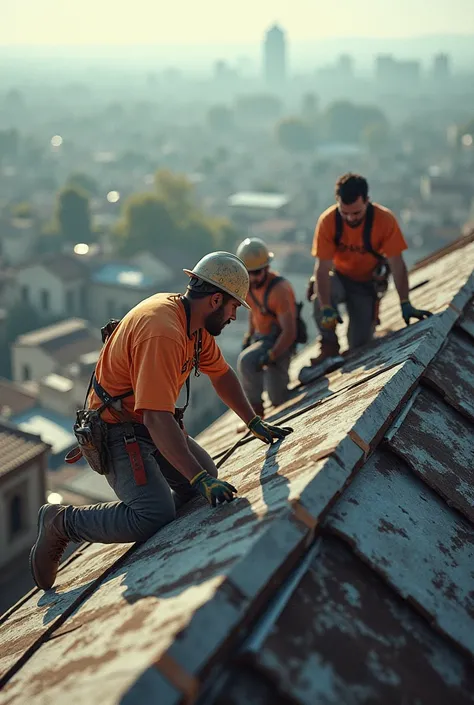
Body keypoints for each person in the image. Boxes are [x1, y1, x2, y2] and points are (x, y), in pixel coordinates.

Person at [30, 251, 291, 591]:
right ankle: (61, 522)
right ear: (215, 299)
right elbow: (156, 417)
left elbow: (222, 375)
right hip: (117, 430)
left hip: (146, 425)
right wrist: (195, 477)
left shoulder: (192, 326)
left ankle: (157, 497)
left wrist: (253, 422)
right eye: (232, 308)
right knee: (155, 515)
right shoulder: (164, 331)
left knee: (206, 478)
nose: (232, 317)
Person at [307, 173, 432, 365]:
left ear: (367, 201)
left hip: (365, 286)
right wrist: (326, 307)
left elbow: (397, 265)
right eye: (344, 212)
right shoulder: (328, 221)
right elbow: (322, 269)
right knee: (320, 292)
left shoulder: (384, 221)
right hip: (339, 278)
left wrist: (405, 302)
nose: (350, 218)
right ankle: (329, 347)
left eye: (356, 213)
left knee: (360, 344)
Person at [236, 237, 297, 417]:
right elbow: (253, 311)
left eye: (257, 273)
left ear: (266, 268)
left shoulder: (280, 290)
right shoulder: (248, 287)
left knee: (278, 399)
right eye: (249, 273)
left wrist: (273, 355)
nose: (253, 278)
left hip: (279, 341)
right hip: (262, 340)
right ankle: (254, 414)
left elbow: (290, 331)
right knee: (246, 361)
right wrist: (249, 334)